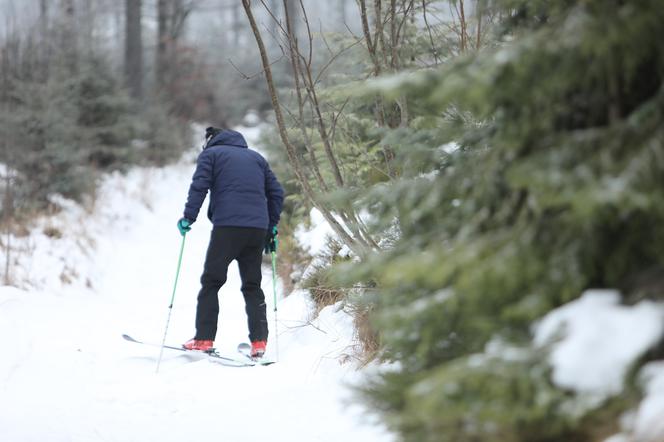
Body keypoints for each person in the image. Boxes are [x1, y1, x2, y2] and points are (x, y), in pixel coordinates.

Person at [177, 127, 284, 358]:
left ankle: (204, 338)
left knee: (212, 281)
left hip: (228, 227)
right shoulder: (257, 158)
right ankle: (259, 343)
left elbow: (200, 186)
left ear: (211, 141)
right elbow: (277, 192)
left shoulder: (211, 155)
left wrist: (188, 217)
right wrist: (272, 226)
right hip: (257, 229)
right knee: (252, 285)